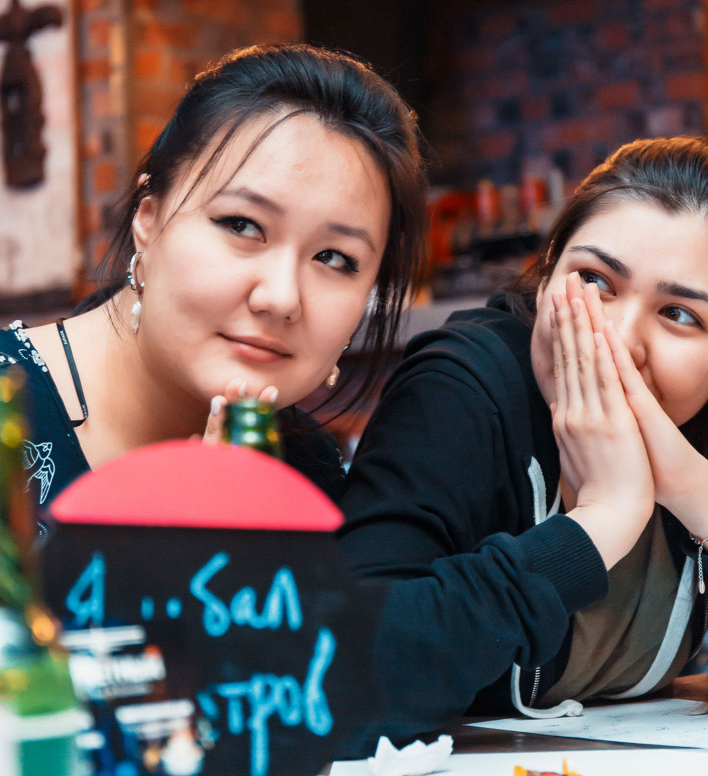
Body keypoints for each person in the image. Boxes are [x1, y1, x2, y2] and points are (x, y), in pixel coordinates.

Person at [338, 136, 708, 741]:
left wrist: (707, 498)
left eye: (679, 314)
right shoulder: (459, 390)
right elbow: (342, 679)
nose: (619, 340)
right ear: (547, 274)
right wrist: (601, 523)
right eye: (594, 280)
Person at [0, 43, 427, 521]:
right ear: (148, 217)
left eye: (334, 258)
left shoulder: (308, 476)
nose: (280, 297)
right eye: (242, 225)